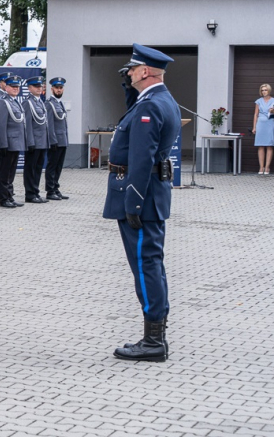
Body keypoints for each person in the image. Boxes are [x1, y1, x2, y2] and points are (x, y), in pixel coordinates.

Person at [104, 44, 180, 362]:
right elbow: (134, 117)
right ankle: (155, 336)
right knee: (151, 264)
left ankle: (153, 342)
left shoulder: (151, 106)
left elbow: (140, 158)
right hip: (152, 195)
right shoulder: (156, 99)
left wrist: (132, 204)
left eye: (132, 69)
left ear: (145, 71)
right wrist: (128, 86)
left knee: (145, 266)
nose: (129, 72)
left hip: (141, 198)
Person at [0, 75, 25, 209]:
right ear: (6, 87)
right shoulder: (3, 102)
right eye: (12, 87)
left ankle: (9, 195)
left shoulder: (15, 101)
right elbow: (1, 125)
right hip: (8, 143)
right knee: (5, 171)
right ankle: (4, 198)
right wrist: (3, 143)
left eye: (17, 87)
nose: (15, 89)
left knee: (11, 172)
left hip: (16, 142)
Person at [22, 76, 50, 204]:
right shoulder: (28, 103)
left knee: (38, 168)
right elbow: (27, 124)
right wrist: (30, 142)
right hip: (34, 142)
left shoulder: (40, 102)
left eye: (40, 86)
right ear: (29, 88)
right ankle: (30, 193)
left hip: (42, 141)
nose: (39, 89)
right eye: (36, 87)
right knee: (31, 169)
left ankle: (35, 191)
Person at [45, 77, 70, 199]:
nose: (59, 90)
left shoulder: (59, 103)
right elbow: (49, 124)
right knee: (52, 166)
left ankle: (55, 188)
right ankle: (50, 191)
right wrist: (52, 140)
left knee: (59, 166)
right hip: (55, 141)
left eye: (61, 88)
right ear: (52, 89)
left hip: (62, 141)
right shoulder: (49, 104)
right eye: (57, 88)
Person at [252, 84, 274, 174]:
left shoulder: (273, 100)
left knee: (269, 145)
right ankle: (261, 167)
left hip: (270, 123)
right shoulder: (258, 101)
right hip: (260, 124)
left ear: (269, 90)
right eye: (262, 90)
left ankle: (267, 167)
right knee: (260, 146)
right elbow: (255, 114)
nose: (264, 92)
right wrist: (254, 127)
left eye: (265, 90)